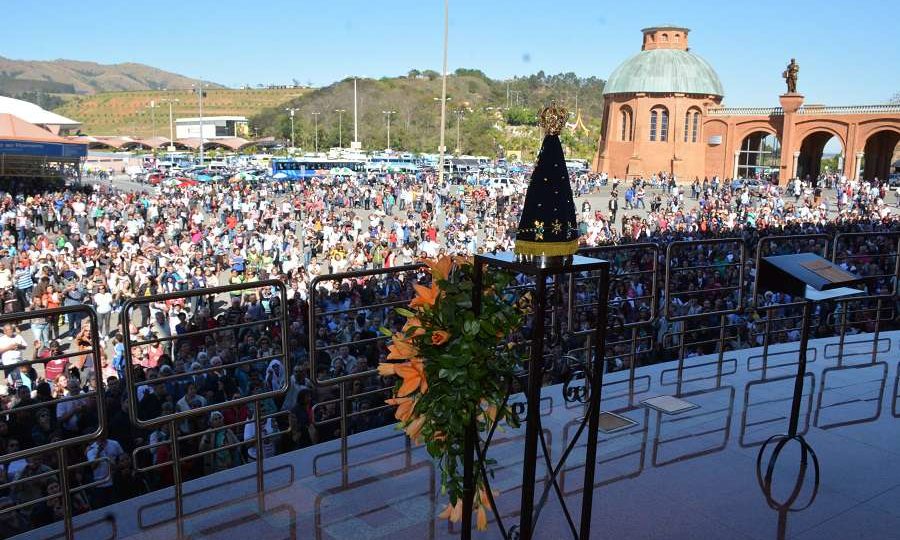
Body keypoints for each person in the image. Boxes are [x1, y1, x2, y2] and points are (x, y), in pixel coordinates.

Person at [85, 436, 124, 508]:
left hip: (115, 481)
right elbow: (93, 467)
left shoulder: (115, 443)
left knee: (118, 505)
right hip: (100, 485)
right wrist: (98, 452)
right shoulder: (91, 449)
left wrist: (116, 467)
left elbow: (123, 459)